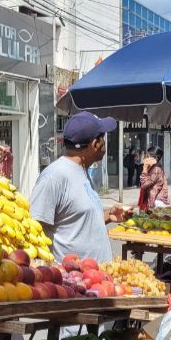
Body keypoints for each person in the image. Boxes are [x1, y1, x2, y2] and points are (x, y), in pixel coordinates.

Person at [30, 113, 131, 264]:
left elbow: (74, 220)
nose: (104, 143)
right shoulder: (54, 176)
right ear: (94, 144)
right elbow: (34, 229)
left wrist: (108, 215)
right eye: (102, 138)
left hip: (97, 280)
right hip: (74, 282)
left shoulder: (82, 170)